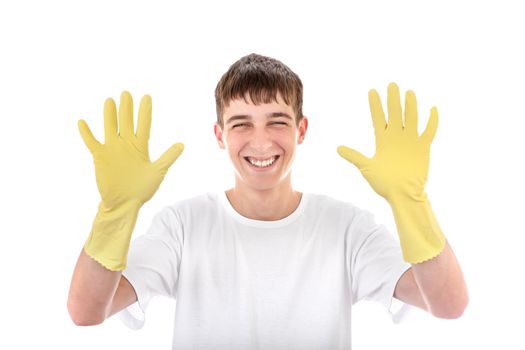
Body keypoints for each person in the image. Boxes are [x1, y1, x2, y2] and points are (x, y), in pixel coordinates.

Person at [67, 53, 468, 349]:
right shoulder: (182, 226)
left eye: (277, 121)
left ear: (301, 129)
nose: (261, 142)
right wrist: (115, 213)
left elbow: (449, 304)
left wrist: (411, 202)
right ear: (220, 135)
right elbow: (86, 312)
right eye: (241, 124)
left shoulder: (347, 228)